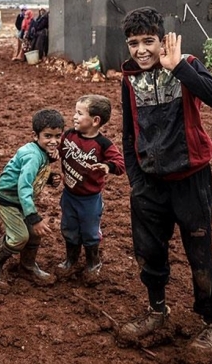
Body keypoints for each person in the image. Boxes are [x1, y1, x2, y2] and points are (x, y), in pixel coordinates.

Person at [116, 6, 212, 356]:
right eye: (133, 43)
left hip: (191, 180)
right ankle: (156, 309)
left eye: (148, 41)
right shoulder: (129, 78)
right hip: (149, 184)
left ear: (162, 39)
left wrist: (179, 67)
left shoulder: (187, 65)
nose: (141, 50)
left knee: (199, 255)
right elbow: (127, 133)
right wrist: (136, 180)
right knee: (149, 252)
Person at [0, 109, 64, 293]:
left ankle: (27, 268)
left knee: (34, 234)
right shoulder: (33, 156)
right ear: (35, 136)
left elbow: (30, 177)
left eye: (58, 136)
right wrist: (33, 217)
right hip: (8, 199)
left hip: (19, 198)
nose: (53, 141)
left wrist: (48, 178)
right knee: (20, 237)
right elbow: (24, 186)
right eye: (48, 136)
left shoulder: (41, 152)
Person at [55, 94, 125, 286]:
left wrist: (107, 166)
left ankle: (93, 262)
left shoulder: (104, 144)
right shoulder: (68, 135)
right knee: (69, 227)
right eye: (75, 112)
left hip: (90, 199)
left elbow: (120, 164)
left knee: (90, 231)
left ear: (95, 121)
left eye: (79, 113)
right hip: (69, 194)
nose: (74, 117)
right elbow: (55, 150)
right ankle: (71, 259)